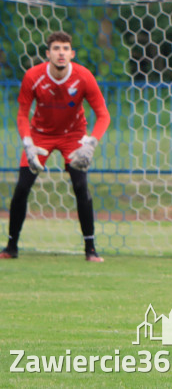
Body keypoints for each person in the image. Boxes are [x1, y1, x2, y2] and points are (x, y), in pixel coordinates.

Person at [1, 31, 111, 262]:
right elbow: (22, 115)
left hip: (73, 135)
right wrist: (28, 144)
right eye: (56, 48)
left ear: (72, 53)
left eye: (65, 48)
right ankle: (11, 247)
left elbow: (103, 115)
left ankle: (90, 249)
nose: (61, 53)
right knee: (22, 188)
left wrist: (91, 143)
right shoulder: (33, 76)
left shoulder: (84, 76)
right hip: (40, 135)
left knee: (80, 187)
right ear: (47, 54)